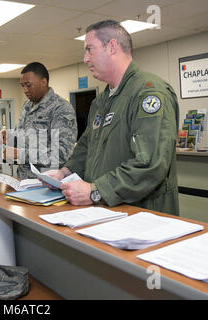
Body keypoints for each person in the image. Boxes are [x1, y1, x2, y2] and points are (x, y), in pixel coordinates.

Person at [44, 20, 179, 215]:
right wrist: (63, 173)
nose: (85, 59)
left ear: (112, 47)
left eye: (90, 49)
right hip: (106, 212)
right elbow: (86, 146)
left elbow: (149, 165)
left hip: (143, 215)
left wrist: (95, 191)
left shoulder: (148, 93)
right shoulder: (101, 101)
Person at [1, 62, 77, 179]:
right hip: (23, 179)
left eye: (28, 85)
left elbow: (62, 154)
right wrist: (11, 137)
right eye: (22, 86)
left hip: (46, 183)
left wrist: (21, 154)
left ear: (43, 82)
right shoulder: (26, 106)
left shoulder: (61, 108)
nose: (25, 90)